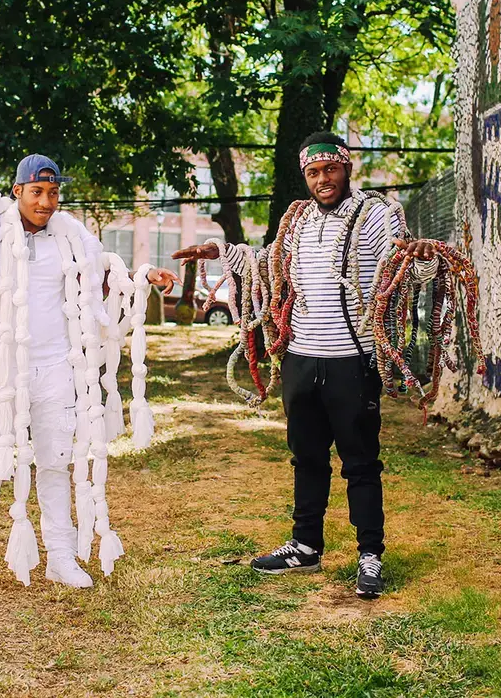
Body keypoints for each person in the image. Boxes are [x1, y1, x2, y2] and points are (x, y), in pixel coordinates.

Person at [0, 155, 177, 591]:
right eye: (37, 192)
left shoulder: (71, 237)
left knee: (57, 462)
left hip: (57, 366)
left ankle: (61, 557)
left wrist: (145, 275)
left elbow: (103, 273)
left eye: (53, 193)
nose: (46, 202)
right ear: (17, 191)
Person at [174, 132, 434, 600]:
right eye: (313, 173)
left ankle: (370, 555)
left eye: (330, 169)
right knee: (307, 458)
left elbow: (403, 271)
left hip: (351, 362)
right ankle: (306, 545)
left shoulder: (375, 215)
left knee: (360, 463)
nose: (322, 179)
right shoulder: (298, 221)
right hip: (301, 361)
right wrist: (222, 251)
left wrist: (424, 262)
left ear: (346, 168)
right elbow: (269, 263)